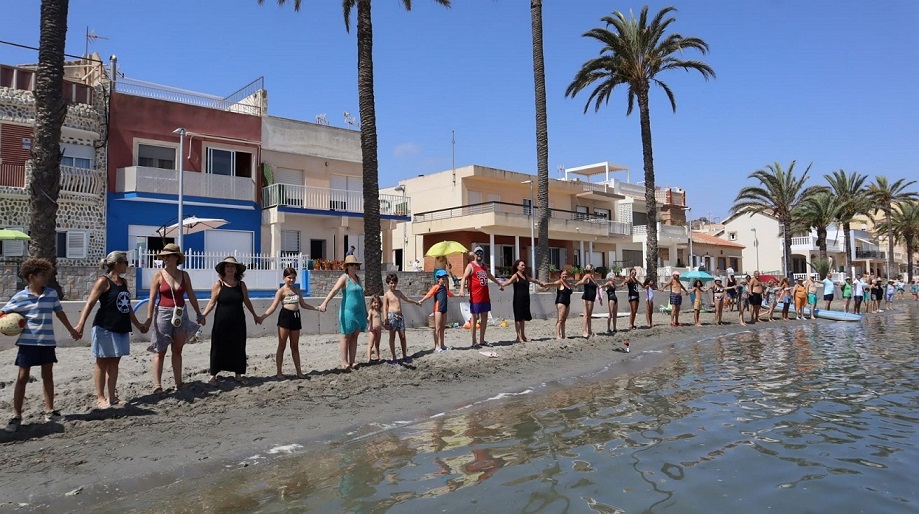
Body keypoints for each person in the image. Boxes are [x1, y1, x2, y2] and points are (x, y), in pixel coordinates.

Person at [2, 258, 79, 433]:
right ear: (31, 277)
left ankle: (49, 411)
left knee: (48, 376)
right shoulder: (20, 297)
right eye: (42, 275)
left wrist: (72, 329)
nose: (45, 278)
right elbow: (4, 312)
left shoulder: (51, 294)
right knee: (22, 377)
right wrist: (6, 326)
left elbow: (60, 313)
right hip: (27, 344)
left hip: (47, 342)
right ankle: (16, 415)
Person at [74, 251, 148, 409]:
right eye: (125, 262)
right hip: (104, 326)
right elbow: (90, 303)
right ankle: (100, 397)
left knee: (115, 362)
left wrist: (138, 324)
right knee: (102, 362)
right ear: (117, 264)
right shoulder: (103, 281)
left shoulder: (124, 282)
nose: (128, 265)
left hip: (121, 327)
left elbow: (126, 306)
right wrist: (80, 325)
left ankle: (112, 396)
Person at [144, 244, 206, 393]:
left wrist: (199, 313)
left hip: (180, 314)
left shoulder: (184, 275)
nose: (166, 259)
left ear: (176, 258)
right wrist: (148, 318)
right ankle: (157, 385)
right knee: (160, 350)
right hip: (163, 314)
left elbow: (191, 295)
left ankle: (179, 382)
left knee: (177, 350)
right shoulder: (158, 275)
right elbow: (152, 299)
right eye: (164, 256)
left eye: (168, 256)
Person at [200, 257, 261, 385]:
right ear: (223, 269)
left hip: (238, 321)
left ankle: (238, 374)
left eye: (232, 266)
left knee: (238, 346)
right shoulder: (219, 284)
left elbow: (247, 301)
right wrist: (203, 315)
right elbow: (212, 302)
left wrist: (255, 315)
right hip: (221, 321)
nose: (230, 269)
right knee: (217, 346)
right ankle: (213, 375)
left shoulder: (241, 284)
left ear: (236, 270)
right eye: (227, 266)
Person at [261, 267, 320, 379]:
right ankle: (279, 372)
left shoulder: (297, 291)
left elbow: (304, 305)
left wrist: (317, 308)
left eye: (293, 278)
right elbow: (273, 307)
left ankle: (299, 372)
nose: (291, 280)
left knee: (295, 346)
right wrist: (262, 317)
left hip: (296, 317)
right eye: (289, 278)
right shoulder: (281, 291)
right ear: (284, 278)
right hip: (285, 317)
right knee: (282, 345)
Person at [319, 255, 367, 370]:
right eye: (351, 264)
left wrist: (365, 310)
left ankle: (353, 360)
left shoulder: (358, 278)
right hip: (348, 311)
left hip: (359, 311)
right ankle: (344, 362)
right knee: (346, 336)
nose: (353, 267)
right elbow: (334, 290)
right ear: (346, 266)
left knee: (355, 336)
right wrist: (325, 302)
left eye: (355, 264)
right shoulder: (344, 278)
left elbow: (362, 296)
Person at [459, 246, 503, 348]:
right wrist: (462, 289)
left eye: (481, 253)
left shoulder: (483, 266)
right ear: (474, 254)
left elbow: (490, 275)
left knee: (485, 317)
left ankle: (482, 340)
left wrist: (498, 283)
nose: (479, 255)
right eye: (477, 253)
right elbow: (464, 277)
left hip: (485, 296)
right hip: (475, 297)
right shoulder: (471, 266)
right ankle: (474, 341)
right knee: (474, 318)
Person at [499, 259, 543, 343]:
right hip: (518, 300)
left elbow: (533, 280)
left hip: (526, 299)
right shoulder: (516, 276)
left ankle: (523, 335)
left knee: (523, 318)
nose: (524, 267)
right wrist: (502, 285)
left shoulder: (525, 276)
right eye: (522, 265)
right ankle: (518, 336)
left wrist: (540, 283)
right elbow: (509, 281)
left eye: (524, 265)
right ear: (517, 266)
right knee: (518, 319)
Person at [418, 270, 454, 352]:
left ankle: (442, 344)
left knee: (442, 327)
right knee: (437, 328)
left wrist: (459, 295)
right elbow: (429, 295)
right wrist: (421, 301)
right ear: (438, 279)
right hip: (438, 309)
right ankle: (437, 345)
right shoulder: (436, 287)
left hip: (444, 308)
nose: (444, 279)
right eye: (442, 278)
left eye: (445, 277)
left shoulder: (444, 288)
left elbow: (450, 294)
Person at [382, 273, 415, 363]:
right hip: (391, 316)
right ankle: (393, 357)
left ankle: (404, 355)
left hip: (400, 317)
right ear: (388, 283)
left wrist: (415, 302)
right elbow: (384, 308)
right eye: (391, 283)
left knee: (403, 336)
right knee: (392, 337)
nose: (393, 285)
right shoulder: (387, 295)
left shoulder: (398, 292)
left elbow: (406, 299)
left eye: (394, 283)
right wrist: (386, 319)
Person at [545, 269, 573, 339]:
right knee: (560, 319)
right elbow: (553, 284)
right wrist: (546, 284)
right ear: (560, 275)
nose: (565, 276)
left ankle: (563, 335)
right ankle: (558, 335)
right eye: (563, 274)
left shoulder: (567, 283)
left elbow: (572, 285)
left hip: (567, 302)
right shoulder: (559, 282)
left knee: (564, 320)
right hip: (561, 302)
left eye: (566, 274)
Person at [573, 264, 599, 338]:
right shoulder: (587, 276)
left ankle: (590, 331)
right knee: (586, 315)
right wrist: (576, 284)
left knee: (589, 315)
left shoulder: (592, 277)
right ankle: (584, 331)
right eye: (592, 268)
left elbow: (596, 285)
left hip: (592, 298)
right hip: (587, 297)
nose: (593, 269)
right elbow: (582, 281)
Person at [365, 295, 384, 361]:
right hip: (372, 329)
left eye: (378, 302)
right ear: (372, 303)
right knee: (371, 344)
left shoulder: (379, 311)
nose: (376, 304)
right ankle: (369, 358)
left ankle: (377, 356)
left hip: (379, 329)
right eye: (375, 302)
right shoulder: (371, 310)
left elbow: (380, 321)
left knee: (377, 344)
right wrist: (366, 319)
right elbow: (369, 318)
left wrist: (384, 325)